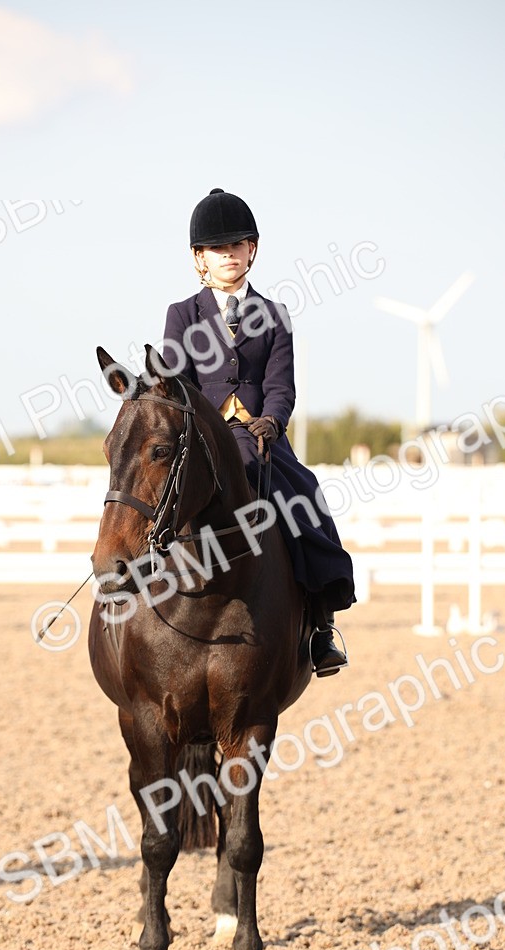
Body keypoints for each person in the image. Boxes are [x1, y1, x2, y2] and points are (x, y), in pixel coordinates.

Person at [161, 187, 355, 677]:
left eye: (237, 245)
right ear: (199, 258)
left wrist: (272, 419)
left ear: (253, 249)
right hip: (199, 439)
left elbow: (280, 384)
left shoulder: (273, 315)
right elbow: (177, 382)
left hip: (259, 434)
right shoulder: (182, 314)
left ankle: (321, 625)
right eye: (218, 248)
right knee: (147, 495)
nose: (229, 254)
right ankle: (128, 594)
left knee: (306, 496)